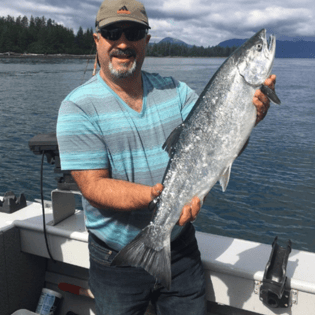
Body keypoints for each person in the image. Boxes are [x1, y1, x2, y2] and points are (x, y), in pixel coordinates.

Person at [56, 0, 276, 314]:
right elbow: (93, 187)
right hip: (116, 259)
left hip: (182, 251)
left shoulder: (175, 91)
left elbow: (217, 145)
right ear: (97, 39)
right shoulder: (77, 107)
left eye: (133, 33)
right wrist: (166, 201)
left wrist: (249, 119)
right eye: (112, 32)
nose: (123, 42)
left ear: (146, 41)